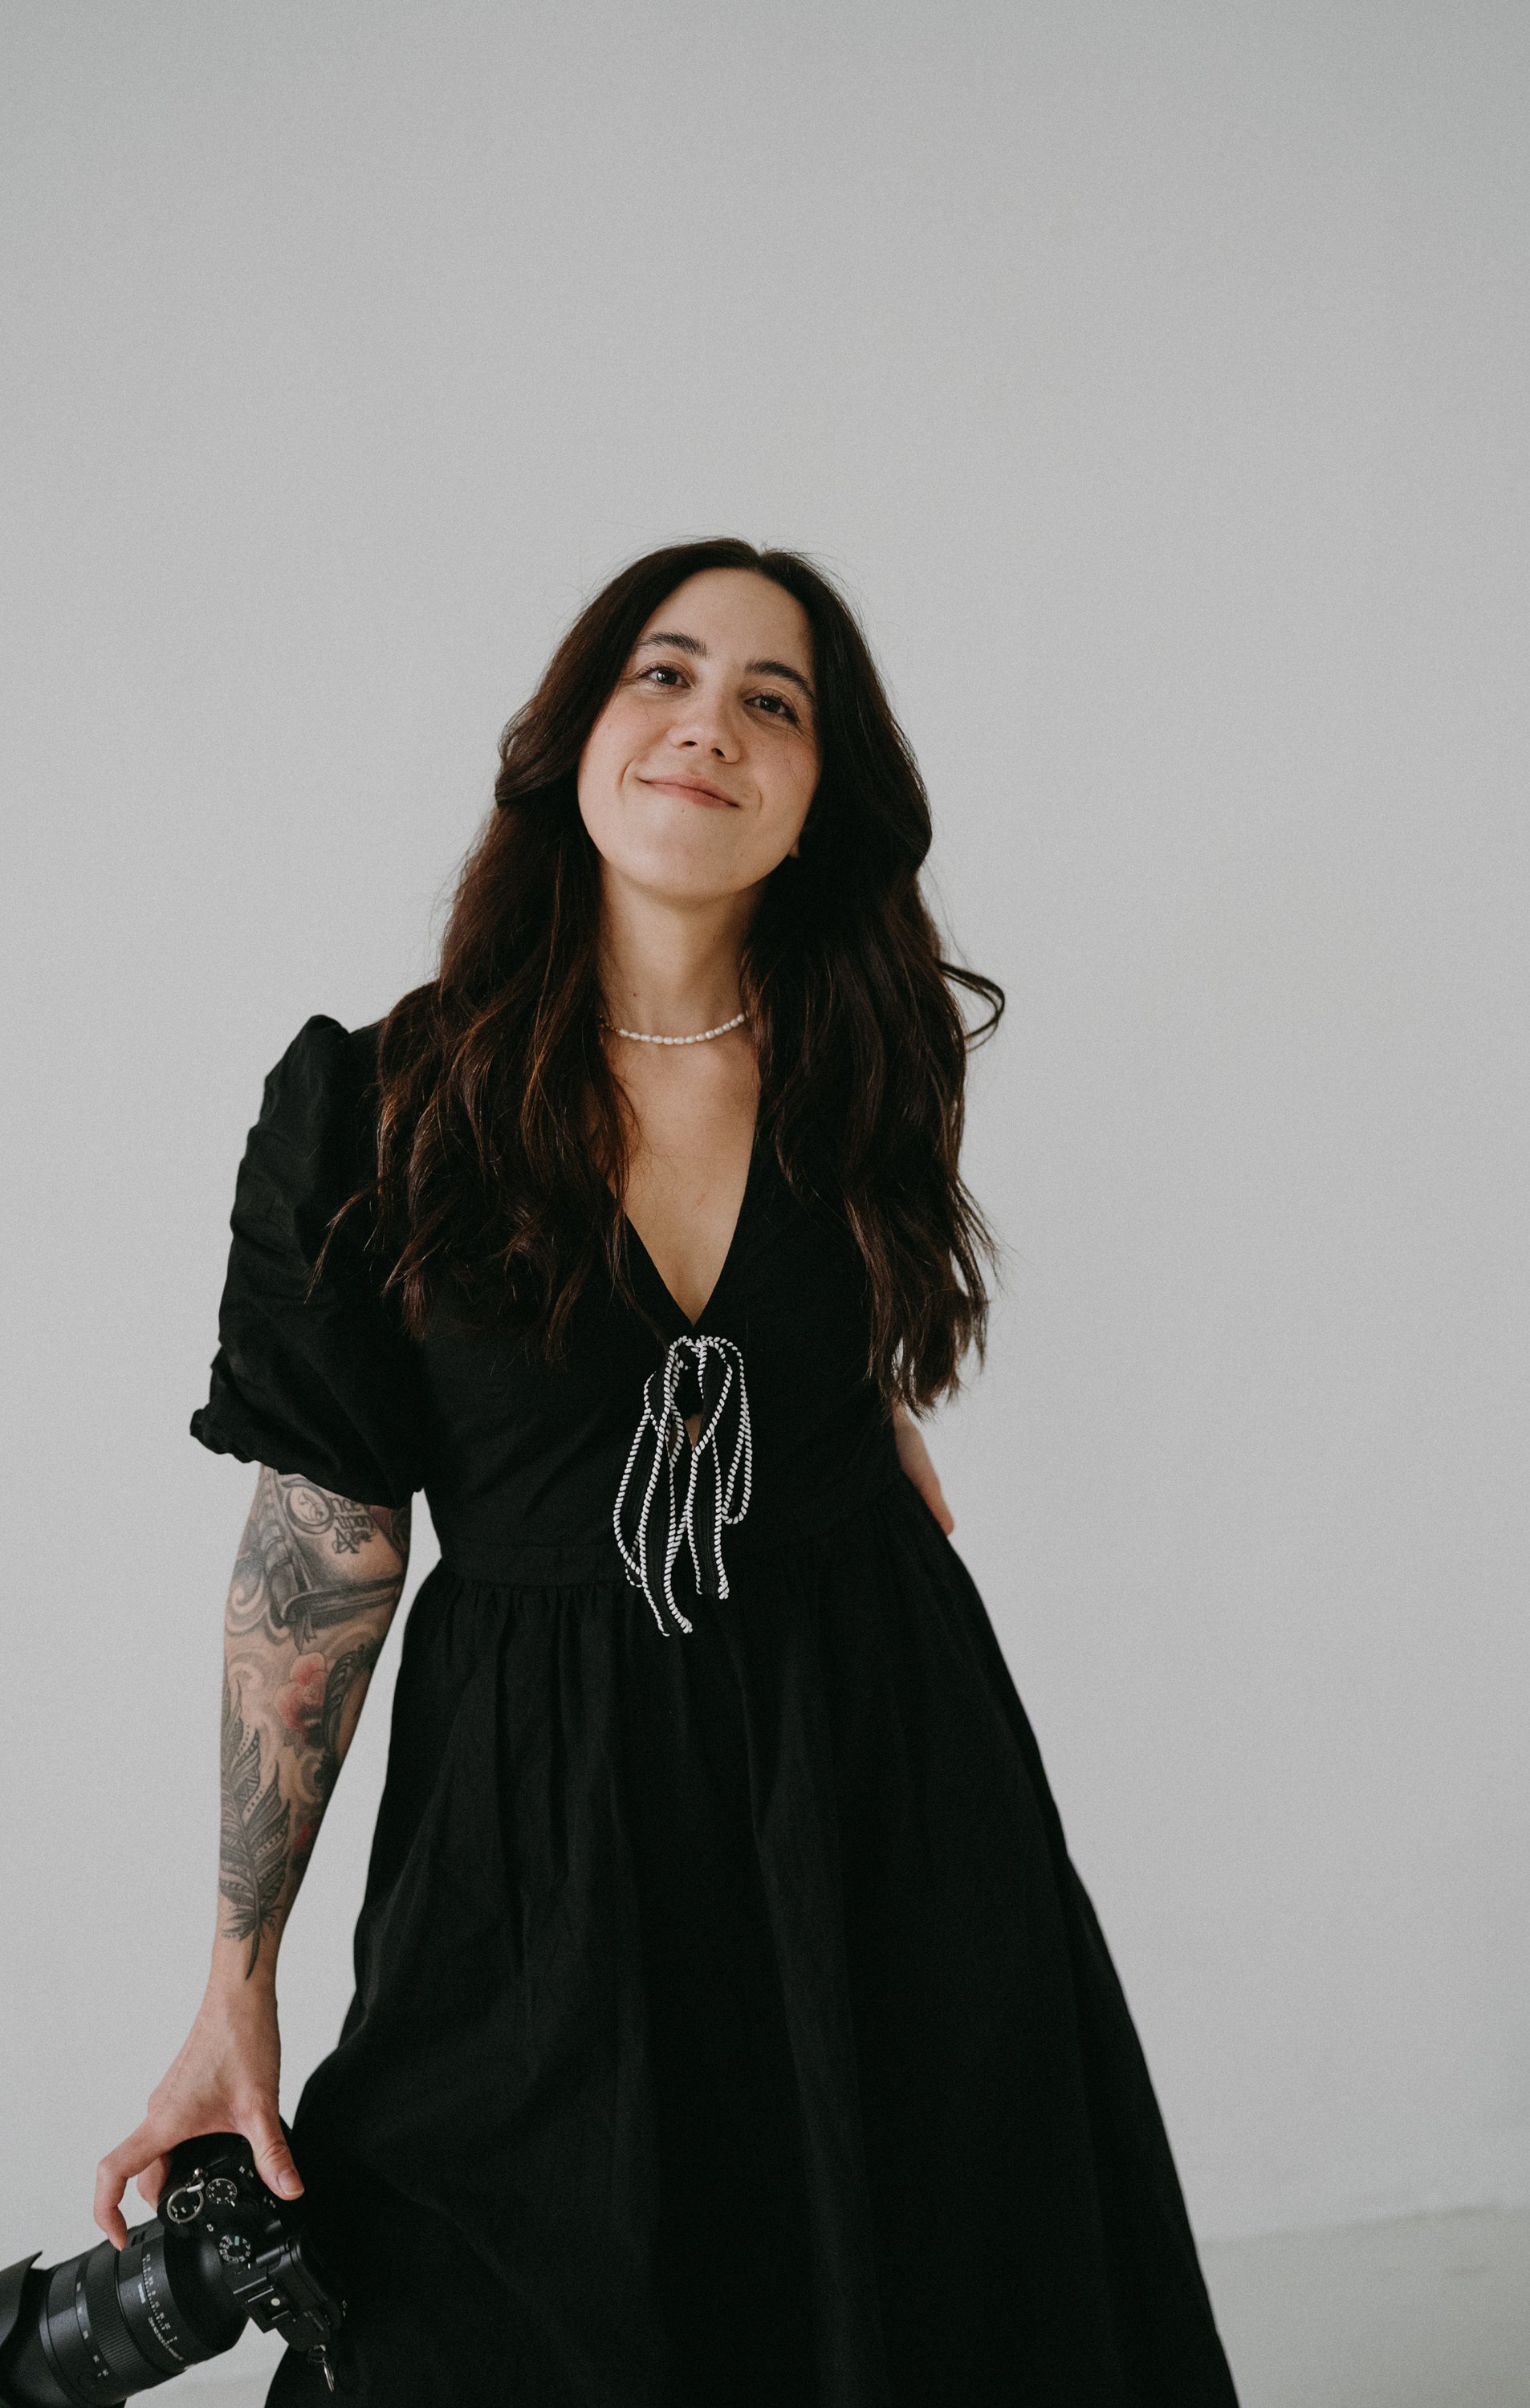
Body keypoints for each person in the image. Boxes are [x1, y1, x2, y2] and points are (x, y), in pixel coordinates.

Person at [94, 539, 1239, 2406]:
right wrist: (238, 1984)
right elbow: (322, 1545)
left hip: (881, 1786)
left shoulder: (872, 1063)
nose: (710, 723)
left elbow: (808, 1354)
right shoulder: (376, 1105)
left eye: (773, 703)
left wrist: (841, 1426)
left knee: (921, 2297)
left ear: (818, 797)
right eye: (665, 673)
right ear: (575, 736)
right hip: (535, 1832)